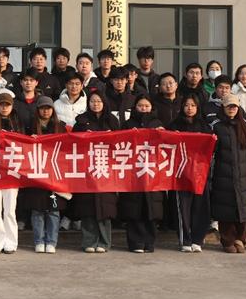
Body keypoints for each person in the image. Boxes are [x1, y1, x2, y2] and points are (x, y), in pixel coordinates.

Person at [71, 90, 120, 253]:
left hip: (106, 169)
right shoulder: (81, 121)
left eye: (99, 101)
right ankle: (89, 242)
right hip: (87, 168)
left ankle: (104, 242)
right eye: (92, 101)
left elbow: (120, 143)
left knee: (105, 208)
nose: (96, 104)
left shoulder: (112, 120)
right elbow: (73, 143)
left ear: (104, 103)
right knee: (88, 208)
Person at [19, 96, 68, 253]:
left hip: (54, 173)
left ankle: (52, 241)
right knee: (37, 209)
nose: (45, 111)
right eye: (42, 108)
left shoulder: (60, 127)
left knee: (54, 210)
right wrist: (29, 140)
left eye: (48, 108)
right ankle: (39, 240)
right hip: (36, 173)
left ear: (53, 110)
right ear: (38, 110)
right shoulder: (30, 126)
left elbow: (67, 147)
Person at [118, 94, 165, 253]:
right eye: (140, 106)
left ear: (152, 107)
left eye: (146, 106)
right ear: (135, 107)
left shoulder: (158, 124)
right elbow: (119, 146)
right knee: (134, 209)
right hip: (133, 171)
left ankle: (149, 242)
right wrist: (128, 135)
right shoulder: (127, 124)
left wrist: (162, 134)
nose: (143, 109)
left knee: (151, 209)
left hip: (152, 172)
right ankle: (135, 243)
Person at [210, 94, 246, 253]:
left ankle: (240, 239)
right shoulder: (216, 126)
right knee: (225, 209)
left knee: (242, 208)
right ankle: (227, 240)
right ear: (223, 107)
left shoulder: (244, 125)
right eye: (229, 106)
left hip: (243, 174)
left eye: (234, 106)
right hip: (223, 174)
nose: (232, 109)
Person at [168, 94, 213, 252]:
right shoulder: (174, 125)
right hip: (180, 173)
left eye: (193, 105)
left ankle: (197, 239)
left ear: (198, 107)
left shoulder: (204, 126)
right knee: (183, 208)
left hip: (200, 173)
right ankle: (185, 240)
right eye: (187, 105)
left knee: (200, 207)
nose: (189, 108)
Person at [0, 92, 25, 254]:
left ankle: (11, 241)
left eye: (7, 105)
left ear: (12, 106)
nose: (4, 108)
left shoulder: (18, 122)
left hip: (12, 170)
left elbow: (24, 143)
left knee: (9, 209)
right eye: (1, 104)